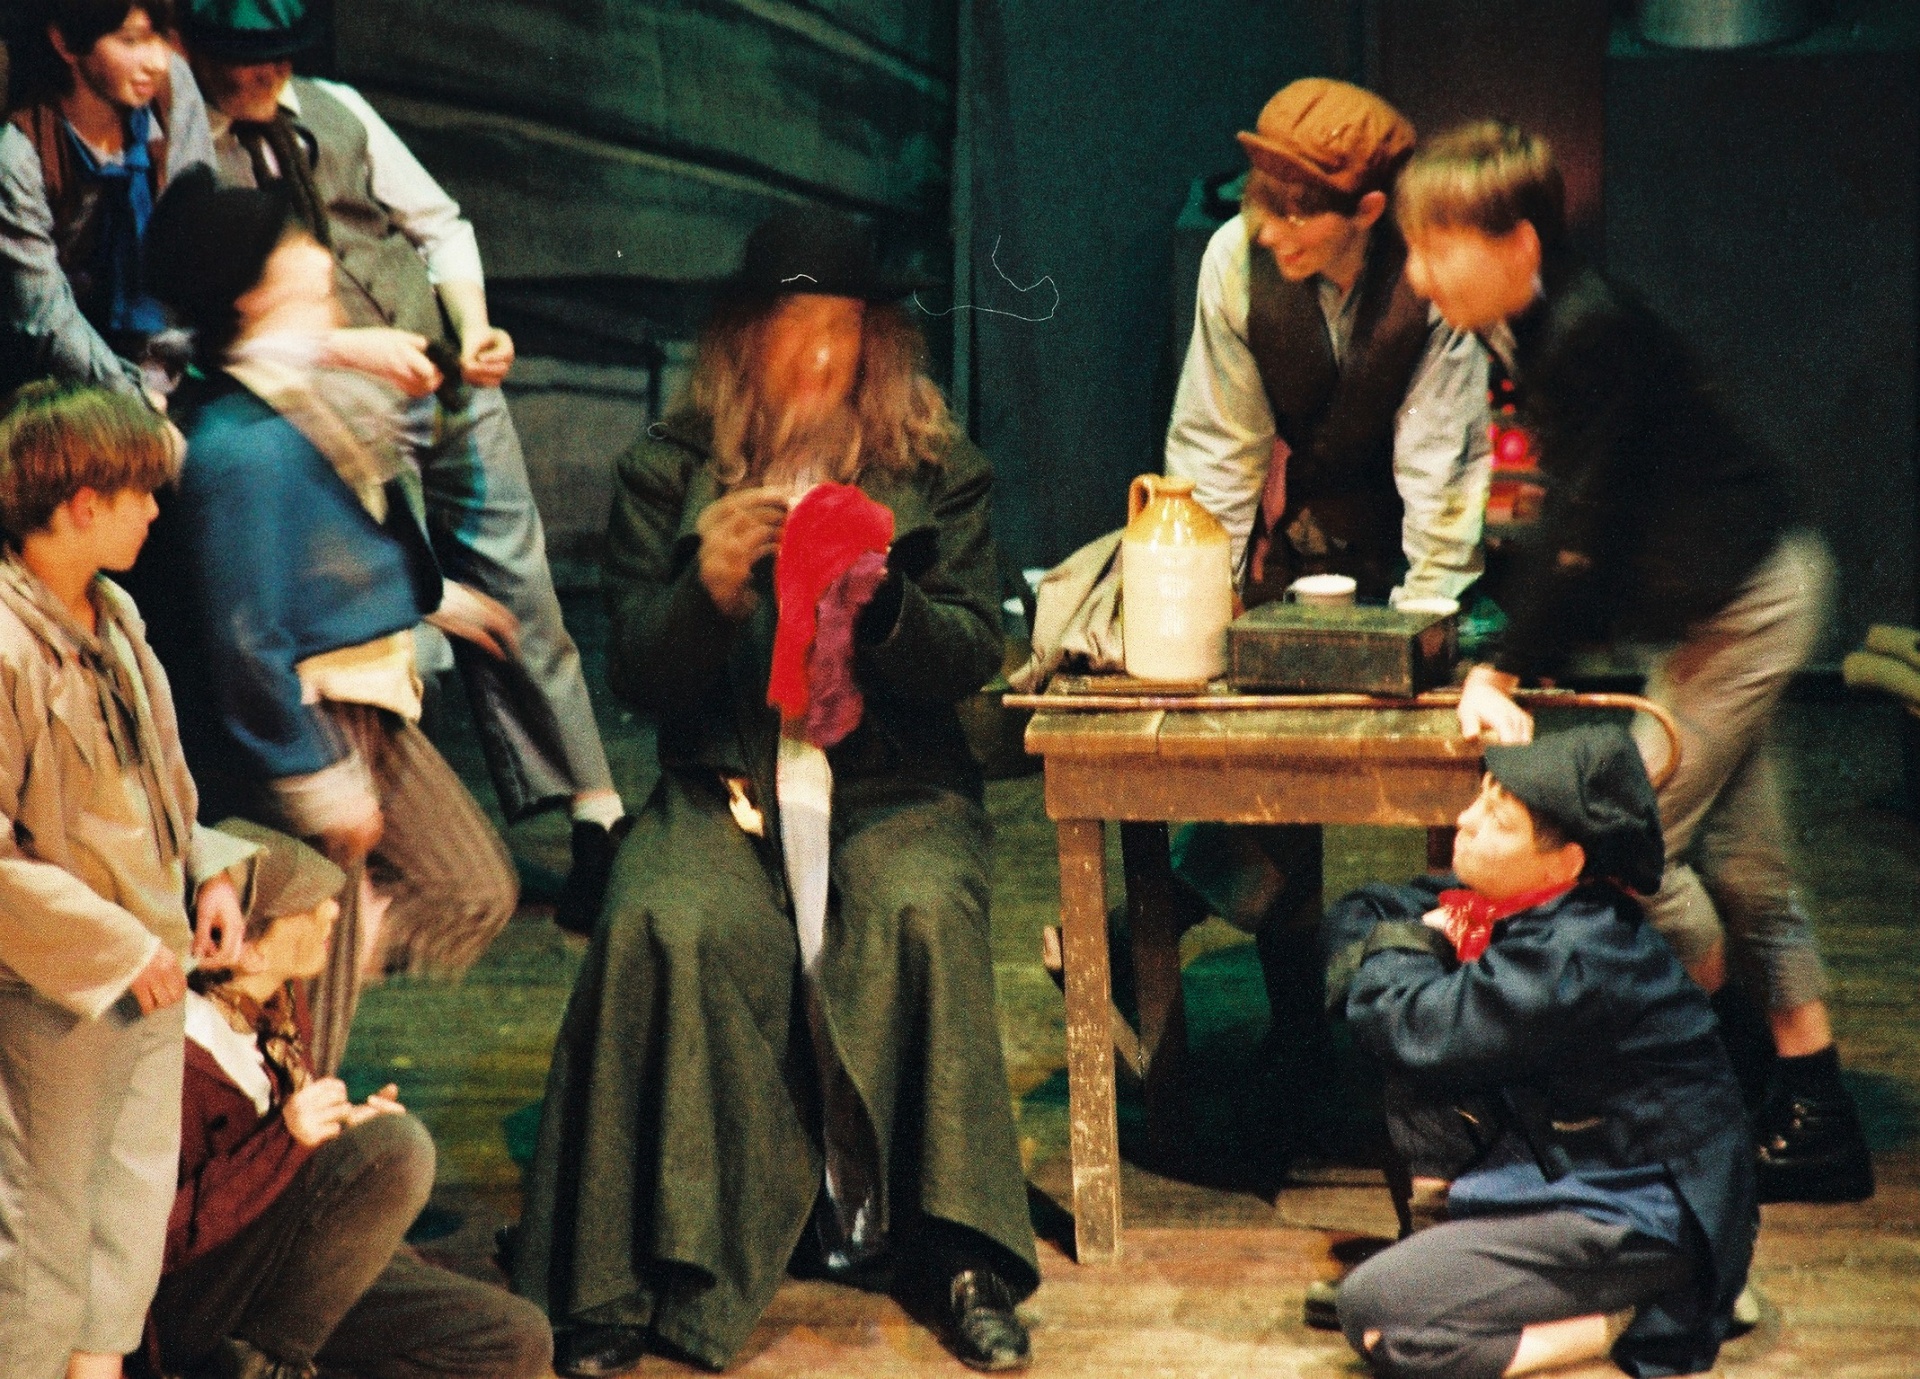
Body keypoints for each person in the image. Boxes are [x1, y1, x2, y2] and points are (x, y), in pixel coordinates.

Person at [510, 207, 1039, 1376]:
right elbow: (639, 675)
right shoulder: (667, 466)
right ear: (746, 337)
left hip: (893, 785)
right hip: (728, 783)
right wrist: (706, 588)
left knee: (918, 908)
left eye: (840, 331)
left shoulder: (938, 470)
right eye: (794, 328)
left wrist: (885, 600)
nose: (816, 356)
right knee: (665, 914)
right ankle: (632, 1266)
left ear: (876, 342)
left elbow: (971, 653)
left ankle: (959, 1250)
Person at [1395, 120, 1870, 1203]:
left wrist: (1502, 666)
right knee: (1747, 868)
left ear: (1517, 242)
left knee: (1625, 848)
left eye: (1436, 247)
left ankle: (1701, 1077)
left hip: (1743, 606)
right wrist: (1501, 630)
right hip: (1728, 602)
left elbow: (1583, 524)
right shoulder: (1528, 332)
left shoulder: (1583, 331)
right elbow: (1551, 508)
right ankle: (1810, 1103)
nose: (1417, 276)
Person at [177, 0, 626, 931]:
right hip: (333, 407)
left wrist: (473, 327)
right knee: (383, 612)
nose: (266, 77)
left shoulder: (335, 109)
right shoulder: (187, 151)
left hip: (440, 372)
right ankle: (377, 857)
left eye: (279, 59)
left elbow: (439, 224)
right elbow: (210, 327)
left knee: (518, 589)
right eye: (246, 60)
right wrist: (351, 352)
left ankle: (594, 811)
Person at [1159, 76, 1493, 1129]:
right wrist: (1204, 609)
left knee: (1443, 785)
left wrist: (1421, 635)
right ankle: (1295, 1029)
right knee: (1274, 778)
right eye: (1260, 198)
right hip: (1299, 552)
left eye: (1296, 209)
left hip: (1408, 555)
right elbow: (1216, 450)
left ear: (1368, 211)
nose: (1269, 225)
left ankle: (1445, 1043)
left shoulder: (1426, 277)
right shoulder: (1233, 261)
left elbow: (1443, 470)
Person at [136, 165, 519, 1073]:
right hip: (312, 721)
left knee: (472, 889)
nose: (319, 258)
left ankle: (334, 967)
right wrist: (318, 778)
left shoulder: (285, 392)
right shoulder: (238, 446)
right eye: (296, 247)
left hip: (371, 696)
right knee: (316, 994)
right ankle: (286, 1123)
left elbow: (351, 517)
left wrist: (435, 601)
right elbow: (246, 636)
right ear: (254, 288)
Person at [1325, 726, 1756, 1379]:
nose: (1466, 821)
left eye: (1498, 821)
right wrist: (1416, 939)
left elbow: (1406, 1023)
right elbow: (1369, 907)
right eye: (1480, 797)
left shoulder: (1577, 954)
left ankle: (1629, 1314)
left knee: (1378, 1317)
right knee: (1425, 1048)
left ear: (1564, 864)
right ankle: (1456, 1261)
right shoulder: (1524, 902)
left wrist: (1419, 944)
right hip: (1579, 1161)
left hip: (1642, 1207)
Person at [0, 381, 254, 1379]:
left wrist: (207, 875)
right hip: (54, 993)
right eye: (139, 492)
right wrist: (115, 947)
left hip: (152, 972)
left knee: (125, 1228)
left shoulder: (116, 614)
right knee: (43, 1242)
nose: (155, 510)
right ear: (80, 504)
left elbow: (160, 781)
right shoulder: (7, 646)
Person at [146, 817, 551, 1379]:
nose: (332, 912)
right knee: (398, 1147)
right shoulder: (175, 1056)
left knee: (515, 1340)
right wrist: (287, 1142)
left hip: (286, 1283)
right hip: (200, 1300)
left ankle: (264, 1361)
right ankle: (271, 1366)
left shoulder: (280, 1005)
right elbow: (158, 1240)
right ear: (246, 949)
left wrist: (341, 1136)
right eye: (306, 905)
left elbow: (294, 1186)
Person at [0, 0, 213, 397]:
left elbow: (200, 227)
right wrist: (135, 400)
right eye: (130, 41)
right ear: (65, 43)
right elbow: (43, 316)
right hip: (55, 375)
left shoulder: (170, 89)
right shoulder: (21, 156)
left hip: (168, 351)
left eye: (160, 38)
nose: (156, 62)